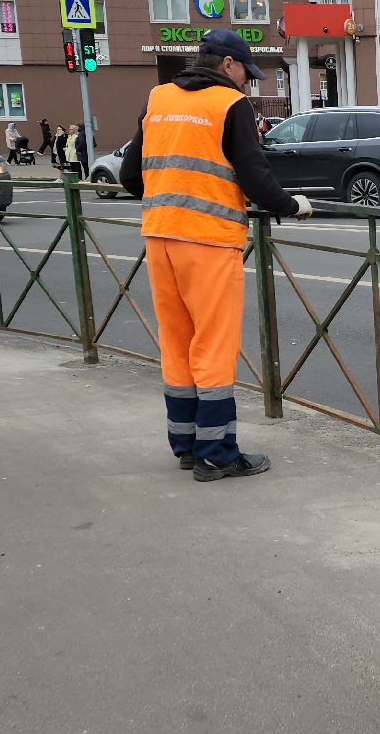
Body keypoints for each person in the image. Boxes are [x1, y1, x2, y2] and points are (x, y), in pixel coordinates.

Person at [119, 28, 313, 481]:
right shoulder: (230, 105)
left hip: (160, 237)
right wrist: (290, 205)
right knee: (213, 345)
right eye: (247, 72)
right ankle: (216, 453)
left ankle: (186, 444)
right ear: (228, 64)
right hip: (208, 240)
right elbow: (255, 174)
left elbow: (131, 175)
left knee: (177, 343)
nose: (248, 82)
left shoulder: (158, 98)